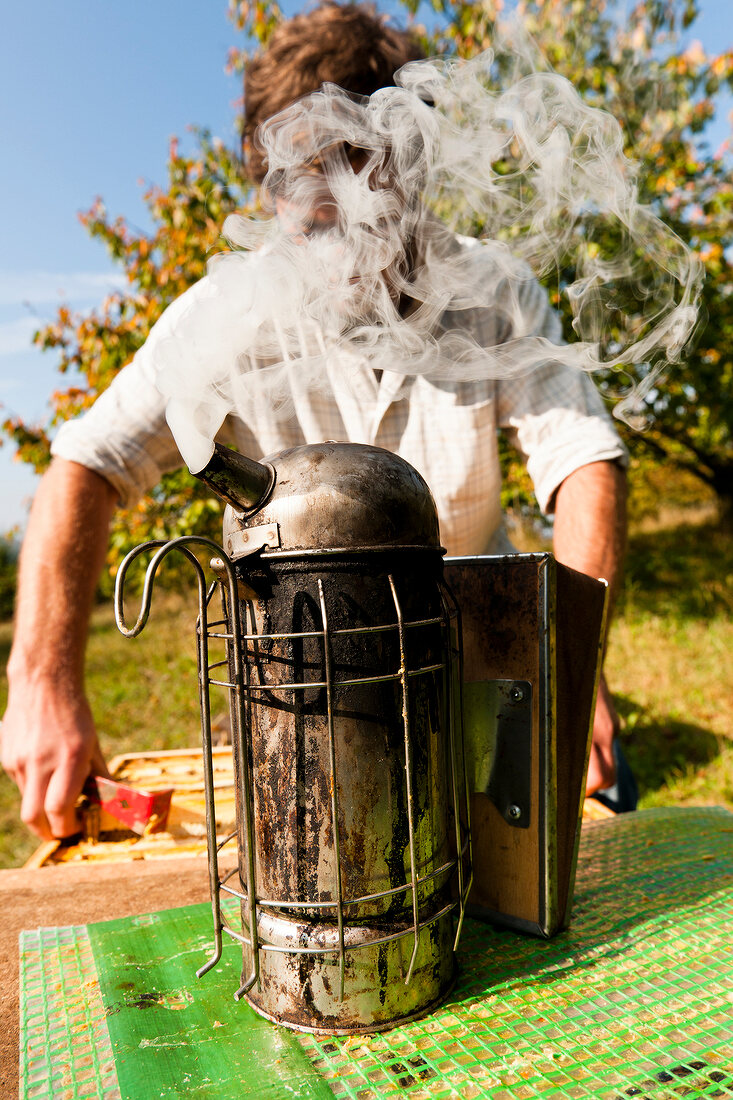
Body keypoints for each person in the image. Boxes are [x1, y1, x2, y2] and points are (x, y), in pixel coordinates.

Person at [1, 1, 632, 843]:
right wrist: (43, 681)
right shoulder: (221, 315)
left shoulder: (493, 291)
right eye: (305, 201)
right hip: (290, 696)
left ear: (409, 162)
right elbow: (86, 464)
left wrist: (566, 663)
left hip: (471, 674)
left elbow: (583, 460)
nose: (337, 235)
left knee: (576, 853)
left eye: (358, 186)